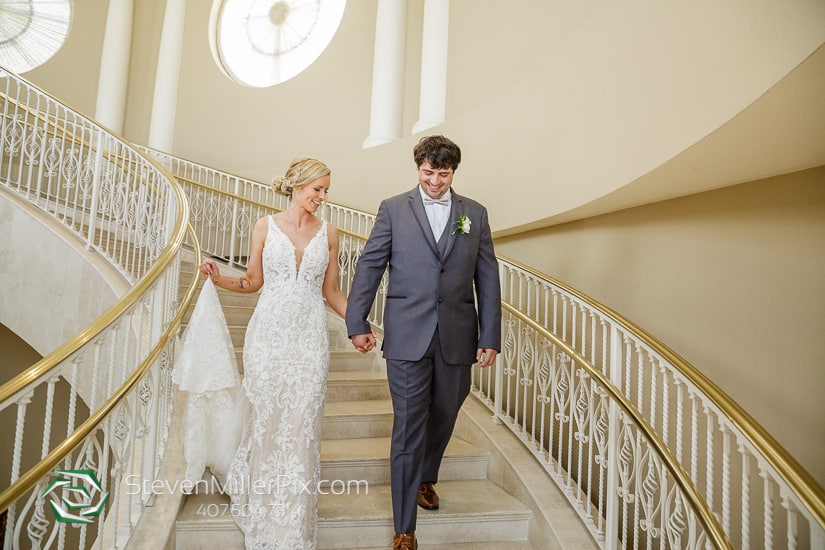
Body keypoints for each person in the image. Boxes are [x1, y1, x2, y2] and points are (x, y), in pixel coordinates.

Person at [345, 135, 501, 550]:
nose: (434, 181)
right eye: (428, 172)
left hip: (457, 335)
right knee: (408, 425)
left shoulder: (475, 214)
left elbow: (487, 276)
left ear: (453, 172)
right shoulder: (393, 209)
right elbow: (371, 265)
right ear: (418, 168)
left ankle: (424, 477)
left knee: (446, 412)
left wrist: (490, 335)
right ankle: (404, 529)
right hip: (406, 335)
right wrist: (357, 320)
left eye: (442, 174)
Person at [198, 157, 347, 550]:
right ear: (297, 186)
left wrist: (360, 325)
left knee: (302, 422)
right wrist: (220, 279)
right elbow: (253, 281)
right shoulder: (265, 226)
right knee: (265, 418)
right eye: (317, 189)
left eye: (326, 190)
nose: (322, 196)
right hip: (267, 336)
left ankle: (293, 519)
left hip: (309, 340)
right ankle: (261, 501)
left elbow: (332, 292)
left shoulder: (330, 233)